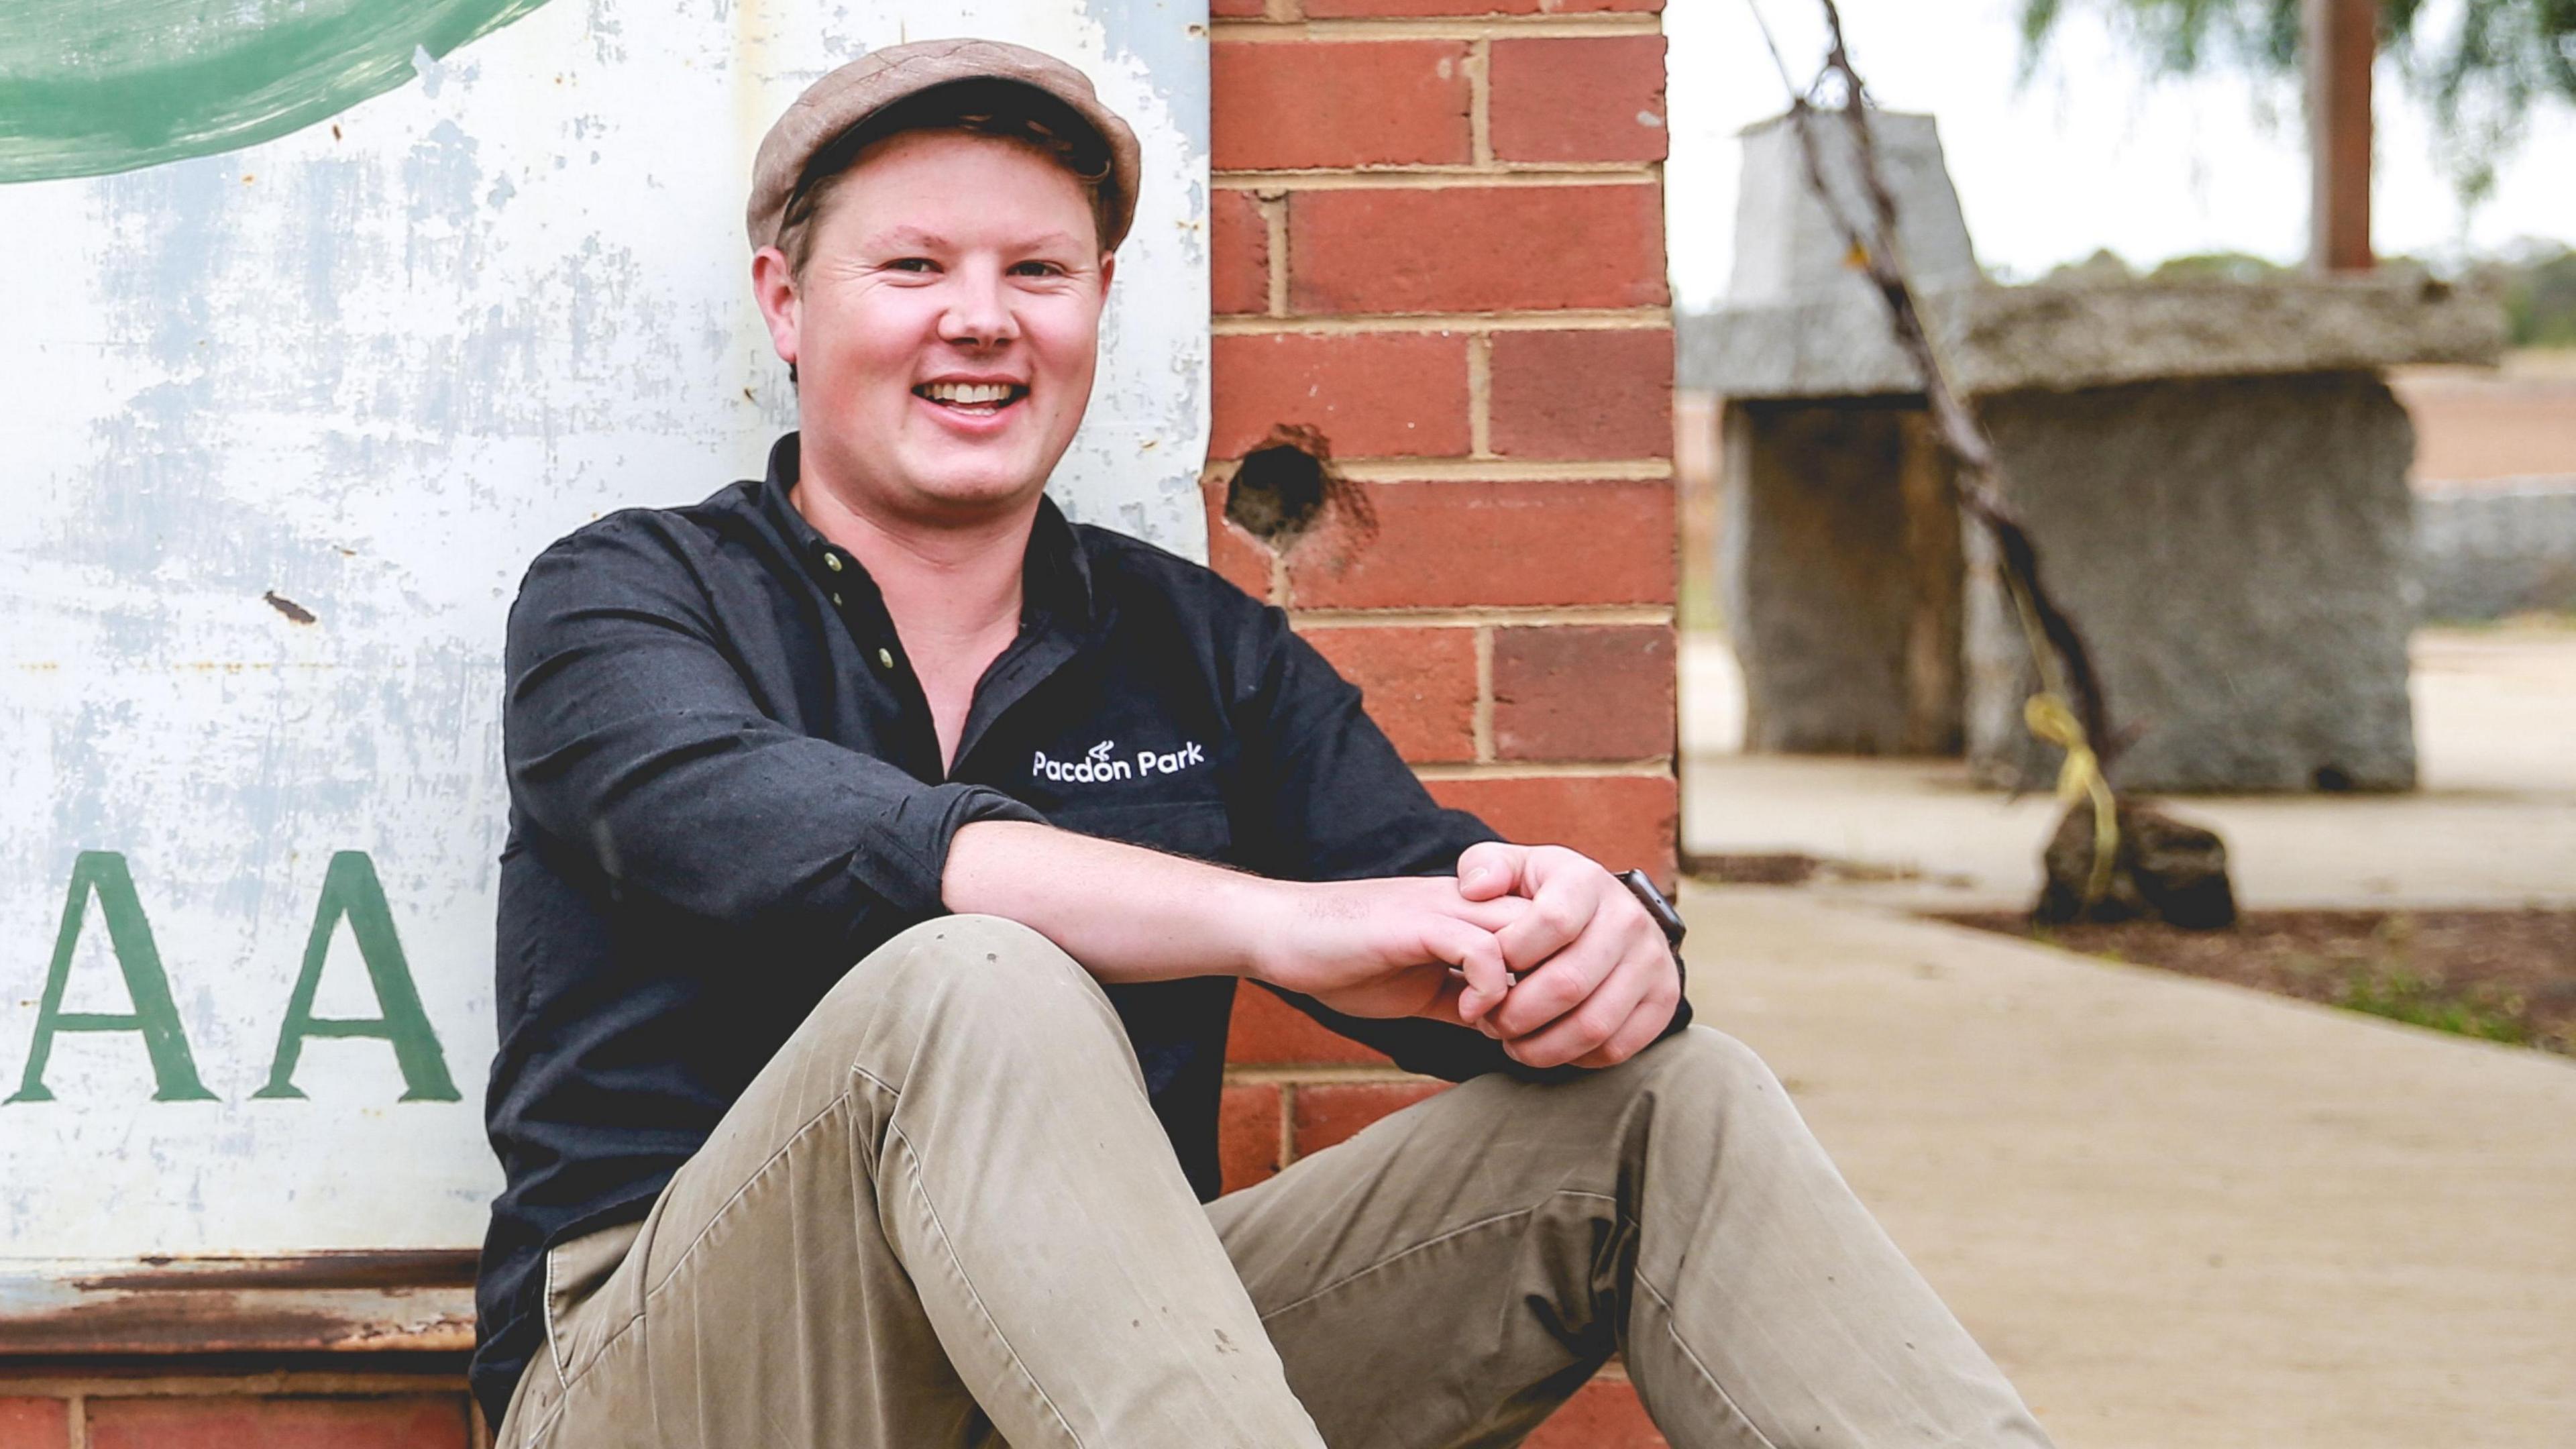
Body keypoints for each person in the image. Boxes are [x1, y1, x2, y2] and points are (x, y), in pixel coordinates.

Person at [471, 36, 2054, 1449]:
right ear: (786, 306)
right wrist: (1283, 926)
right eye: (911, 269)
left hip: (1100, 1365)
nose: (981, 320)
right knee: (976, 967)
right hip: (674, 1386)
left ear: (1095, 305)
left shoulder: (1193, 646)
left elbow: (1440, 918)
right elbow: (865, 856)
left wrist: (1598, 947)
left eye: (1040, 270)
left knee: (1665, 1107)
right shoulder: (626, 599)